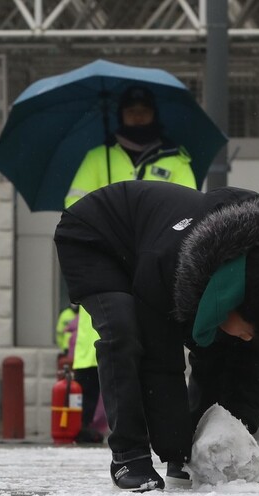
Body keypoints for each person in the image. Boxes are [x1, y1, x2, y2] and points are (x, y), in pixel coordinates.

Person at [54, 180, 259, 491]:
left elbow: (254, 365)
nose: (248, 339)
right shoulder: (170, 266)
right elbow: (162, 366)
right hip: (97, 236)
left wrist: (230, 442)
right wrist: (177, 450)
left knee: (228, 348)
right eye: (249, 330)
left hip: (160, 241)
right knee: (123, 331)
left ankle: (186, 453)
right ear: (230, 300)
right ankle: (129, 455)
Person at [66, 84, 199, 444]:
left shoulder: (177, 161)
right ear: (121, 114)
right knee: (108, 340)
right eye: (131, 111)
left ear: (153, 114)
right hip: (108, 259)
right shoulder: (98, 158)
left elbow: (188, 214)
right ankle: (103, 431)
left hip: (155, 263)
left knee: (154, 347)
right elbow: (75, 208)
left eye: (144, 110)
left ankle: (160, 434)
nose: (138, 116)